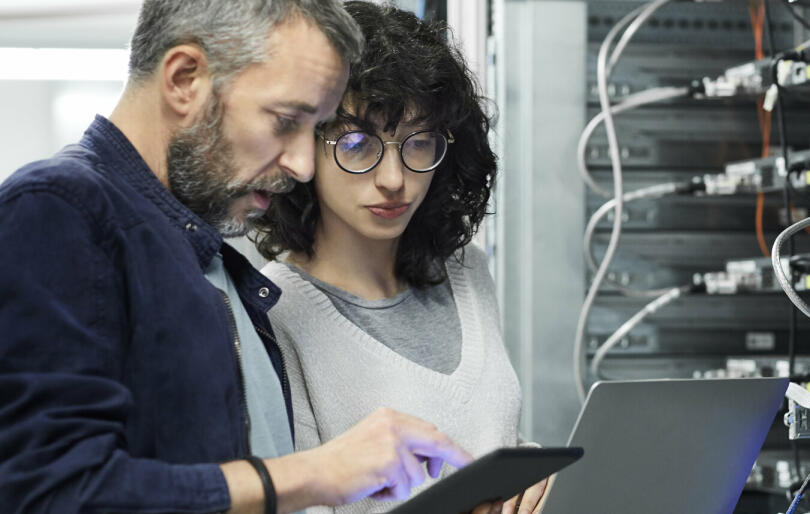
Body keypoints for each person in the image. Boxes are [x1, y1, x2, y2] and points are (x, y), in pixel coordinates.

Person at [0, 1, 473, 512]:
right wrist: (314, 473)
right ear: (185, 79)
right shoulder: (58, 209)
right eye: (285, 121)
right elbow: (46, 492)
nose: (302, 166)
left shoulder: (205, 256)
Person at [251, 3, 545, 513]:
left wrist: (534, 474)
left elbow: (489, 434)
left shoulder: (467, 271)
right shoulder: (275, 313)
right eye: (359, 143)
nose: (393, 178)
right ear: (304, 144)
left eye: (419, 141)